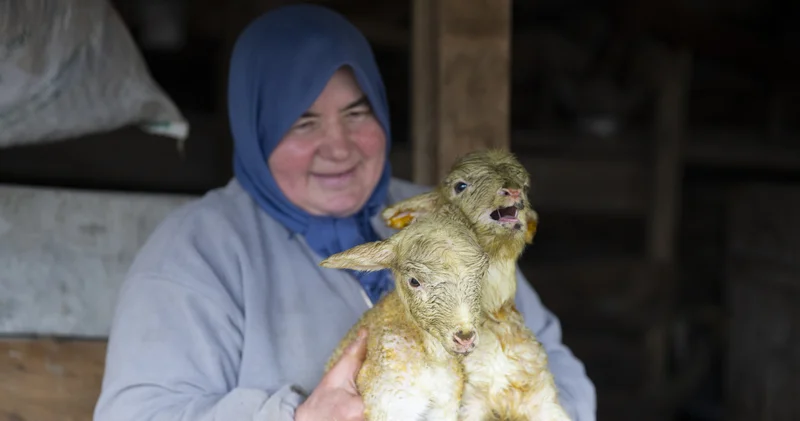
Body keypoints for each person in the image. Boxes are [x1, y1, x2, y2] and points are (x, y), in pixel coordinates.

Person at [93, 4, 596, 421]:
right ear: (256, 133)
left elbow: (558, 368)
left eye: (357, 113)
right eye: (302, 123)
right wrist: (294, 418)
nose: (339, 148)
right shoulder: (198, 250)